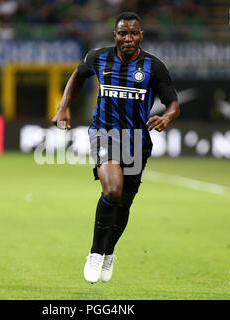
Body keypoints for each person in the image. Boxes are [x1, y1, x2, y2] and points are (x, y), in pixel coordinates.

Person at [52, 11, 180, 283]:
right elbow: (78, 74)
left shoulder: (154, 67)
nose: (128, 38)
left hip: (137, 140)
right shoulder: (99, 58)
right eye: (123, 33)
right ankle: (96, 253)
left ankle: (109, 253)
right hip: (104, 134)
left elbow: (173, 104)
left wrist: (166, 117)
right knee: (112, 190)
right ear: (115, 36)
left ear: (141, 36)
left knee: (124, 202)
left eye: (134, 33)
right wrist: (63, 108)